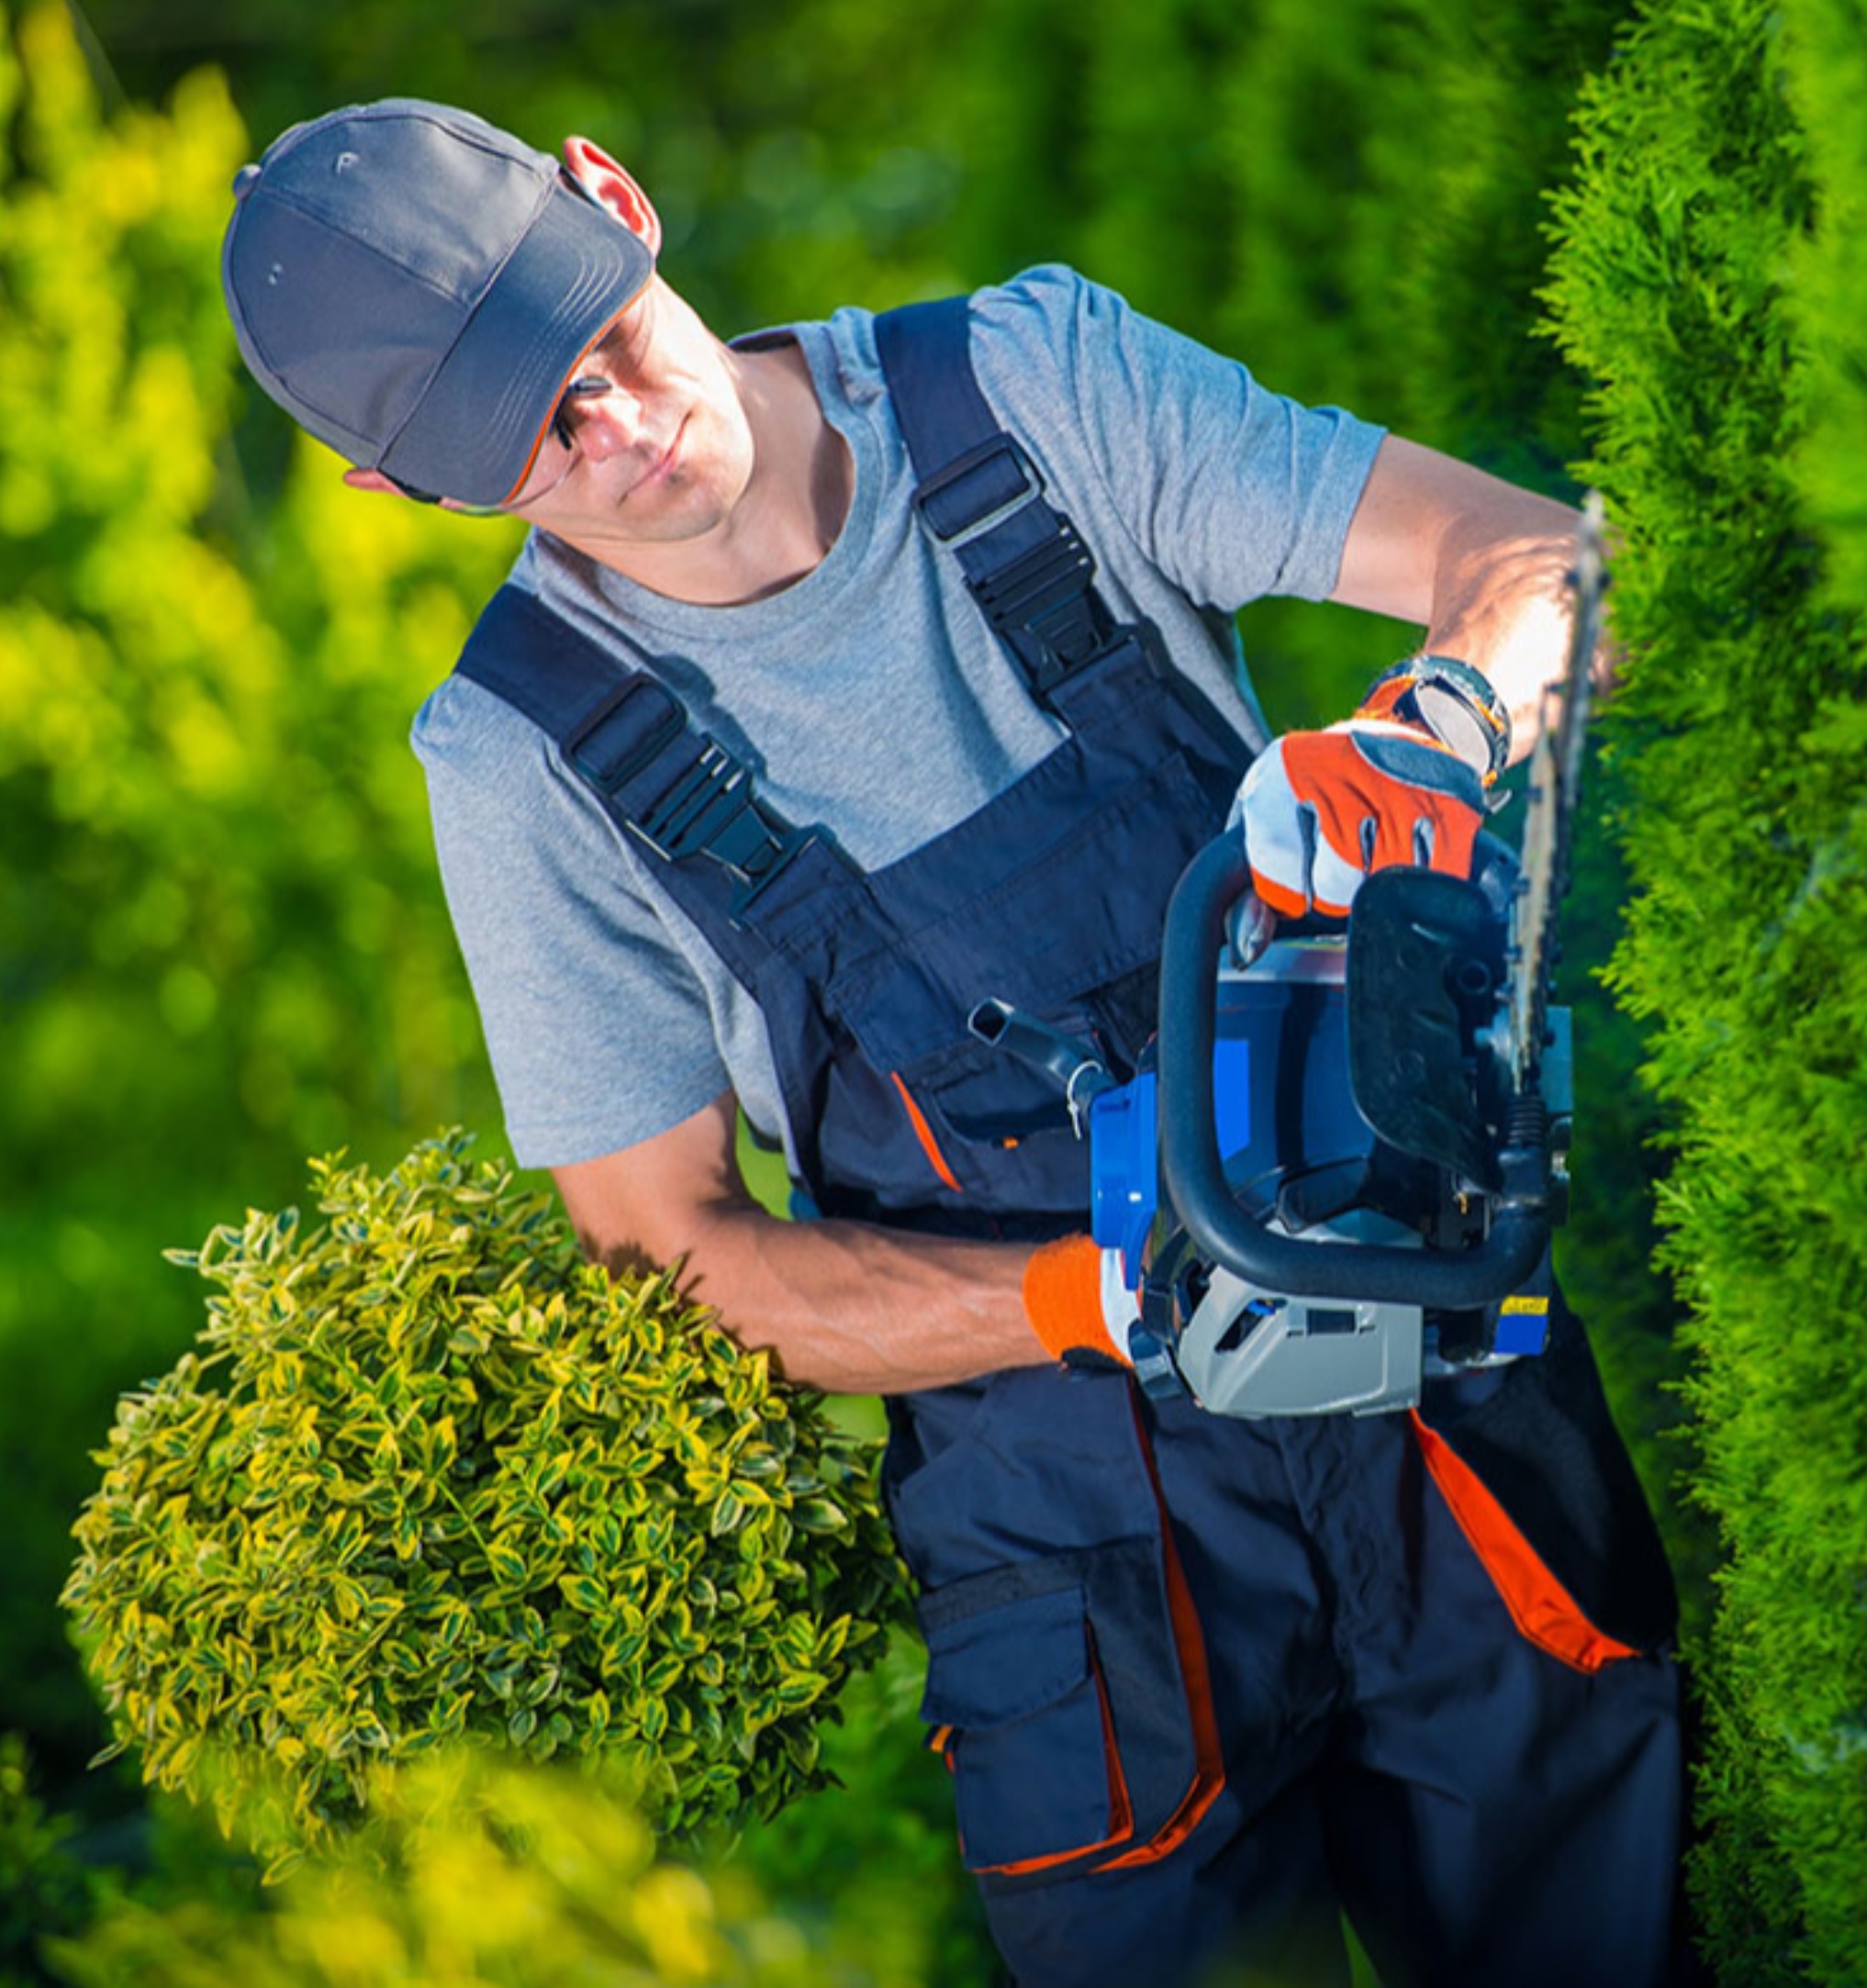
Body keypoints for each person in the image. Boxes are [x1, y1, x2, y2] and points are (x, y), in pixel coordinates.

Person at [222, 98, 1687, 1987]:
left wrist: (1442, 726)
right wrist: (1098, 1298)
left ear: (616, 200)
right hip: (1077, 1568)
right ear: (399, 494)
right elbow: (678, 1268)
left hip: (1429, 1394)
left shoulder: (1024, 386)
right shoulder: (520, 763)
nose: (617, 434)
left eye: (590, 349)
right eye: (532, 448)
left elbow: (1543, 564)